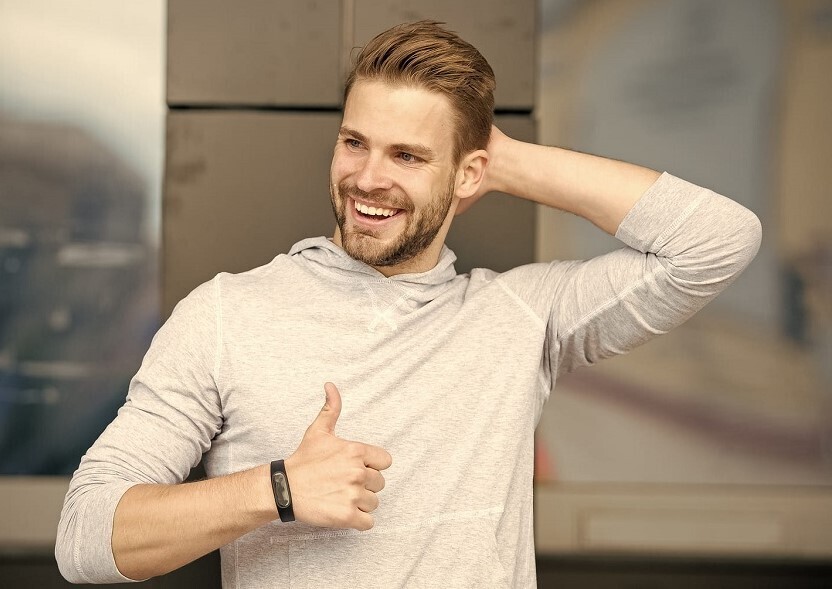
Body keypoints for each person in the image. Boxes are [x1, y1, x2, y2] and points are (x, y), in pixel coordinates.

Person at [56, 20, 761, 588]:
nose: (368, 178)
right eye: (354, 142)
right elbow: (85, 537)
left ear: (468, 174)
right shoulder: (225, 316)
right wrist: (276, 488)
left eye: (408, 156)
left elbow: (715, 241)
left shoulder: (520, 317)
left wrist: (501, 159)